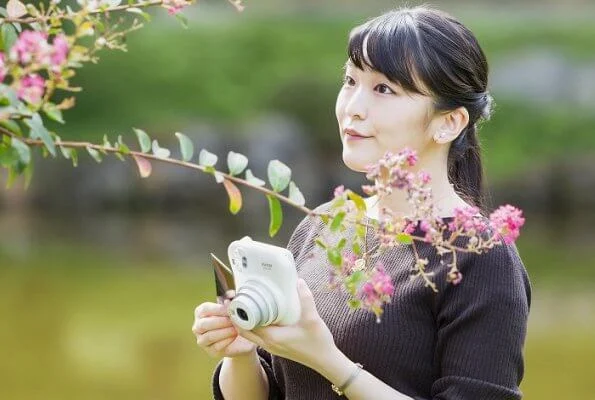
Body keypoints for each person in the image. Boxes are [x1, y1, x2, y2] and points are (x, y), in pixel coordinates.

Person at [192, 5, 531, 400]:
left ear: (448, 122)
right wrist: (241, 353)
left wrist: (328, 360)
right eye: (350, 80)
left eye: (383, 89)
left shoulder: (479, 257)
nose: (353, 106)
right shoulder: (324, 224)